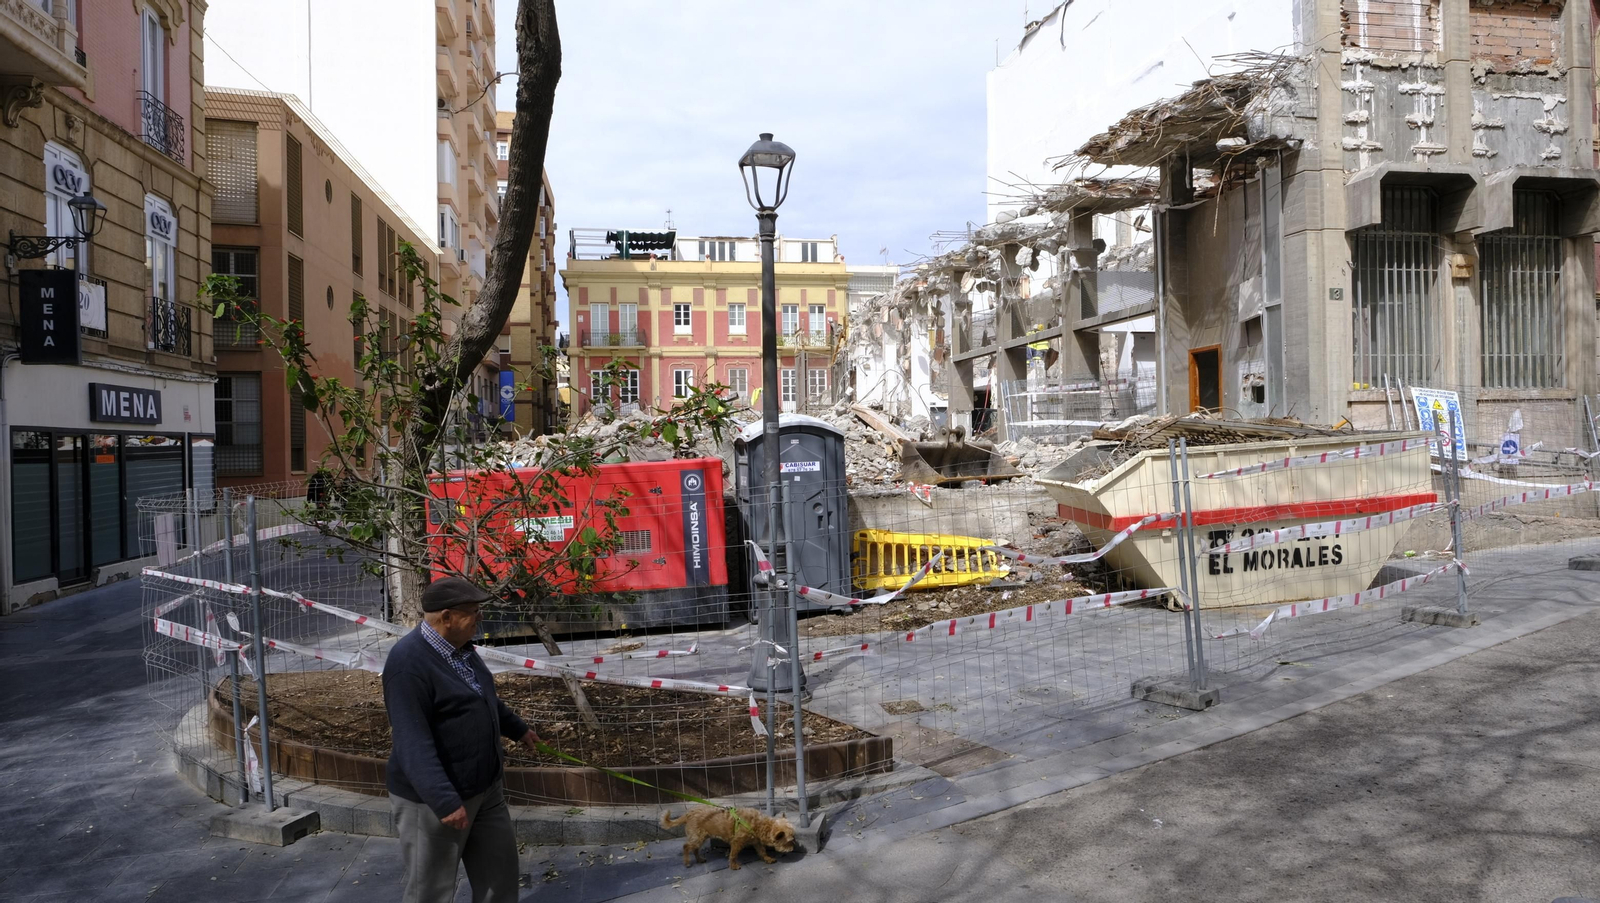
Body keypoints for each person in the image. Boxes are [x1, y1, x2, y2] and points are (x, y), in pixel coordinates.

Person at [384, 577, 540, 903]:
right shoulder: (407, 664)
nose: (480, 618)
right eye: (474, 612)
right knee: (431, 891)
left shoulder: (462, 650)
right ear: (447, 617)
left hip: (485, 789)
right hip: (433, 801)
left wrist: (517, 728)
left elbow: (483, 698)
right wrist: (444, 800)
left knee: (500, 878)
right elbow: (413, 741)